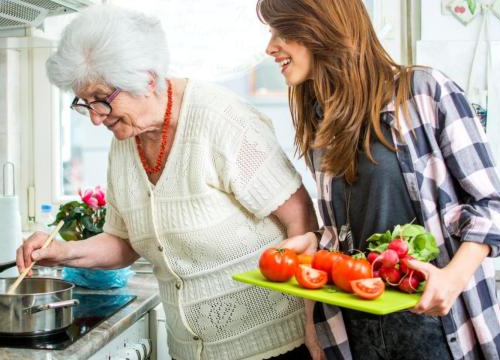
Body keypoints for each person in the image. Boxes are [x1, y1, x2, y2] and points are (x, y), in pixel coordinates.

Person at [16, 4, 319, 360]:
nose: (96, 118)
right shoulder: (125, 143)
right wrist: (63, 253)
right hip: (189, 350)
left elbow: (301, 220)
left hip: (272, 346)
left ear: (146, 78)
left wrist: (314, 330)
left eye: (103, 101)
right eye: (85, 104)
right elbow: (124, 241)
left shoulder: (220, 120)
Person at [257, 0, 500, 359]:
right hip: (357, 328)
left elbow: (491, 203)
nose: (270, 46)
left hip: (436, 323)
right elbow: (352, 229)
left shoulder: (424, 91)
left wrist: (452, 278)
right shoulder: (320, 116)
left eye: (282, 30)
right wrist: (318, 241)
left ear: (322, 27)